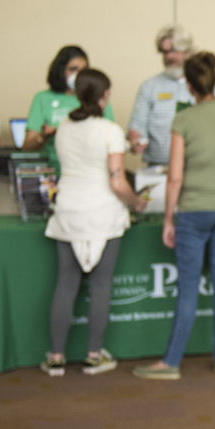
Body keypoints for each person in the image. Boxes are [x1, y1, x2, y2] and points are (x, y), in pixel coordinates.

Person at [133, 52, 215, 380]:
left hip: (194, 212)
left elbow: (174, 177)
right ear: (214, 80)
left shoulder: (183, 121)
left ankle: (171, 362)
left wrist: (169, 219)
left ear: (188, 84)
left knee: (187, 288)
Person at [41, 69, 147, 376]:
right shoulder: (109, 130)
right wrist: (137, 201)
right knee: (100, 286)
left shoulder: (62, 128)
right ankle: (93, 356)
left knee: (65, 284)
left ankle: (56, 358)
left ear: (75, 94)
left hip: (69, 210)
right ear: (104, 97)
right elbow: (117, 181)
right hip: (103, 213)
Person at [127, 25, 215, 166]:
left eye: (173, 51)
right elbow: (137, 126)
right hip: (160, 167)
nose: (168, 57)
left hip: (199, 166)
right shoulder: (149, 86)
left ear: (188, 51)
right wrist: (134, 138)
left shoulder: (207, 84)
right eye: (164, 52)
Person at [23, 46, 115, 172]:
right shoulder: (42, 98)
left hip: (87, 172)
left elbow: (109, 139)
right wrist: (44, 135)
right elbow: (27, 147)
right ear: (61, 71)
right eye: (73, 69)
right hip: (51, 172)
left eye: (84, 70)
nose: (78, 75)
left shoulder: (97, 98)